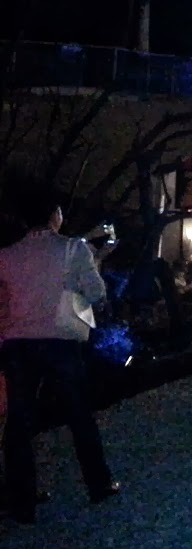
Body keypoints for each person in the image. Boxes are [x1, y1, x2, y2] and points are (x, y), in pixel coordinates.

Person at [0, 188, 119, 524]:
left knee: (19, 425)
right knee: (79, 414)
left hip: (17, 345)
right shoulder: (73, 248)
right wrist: (97, 261)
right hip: (60, 342)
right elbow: (96, 292)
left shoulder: (6, 256)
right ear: (55, 215)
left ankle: (23, 499)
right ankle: (99, 484)